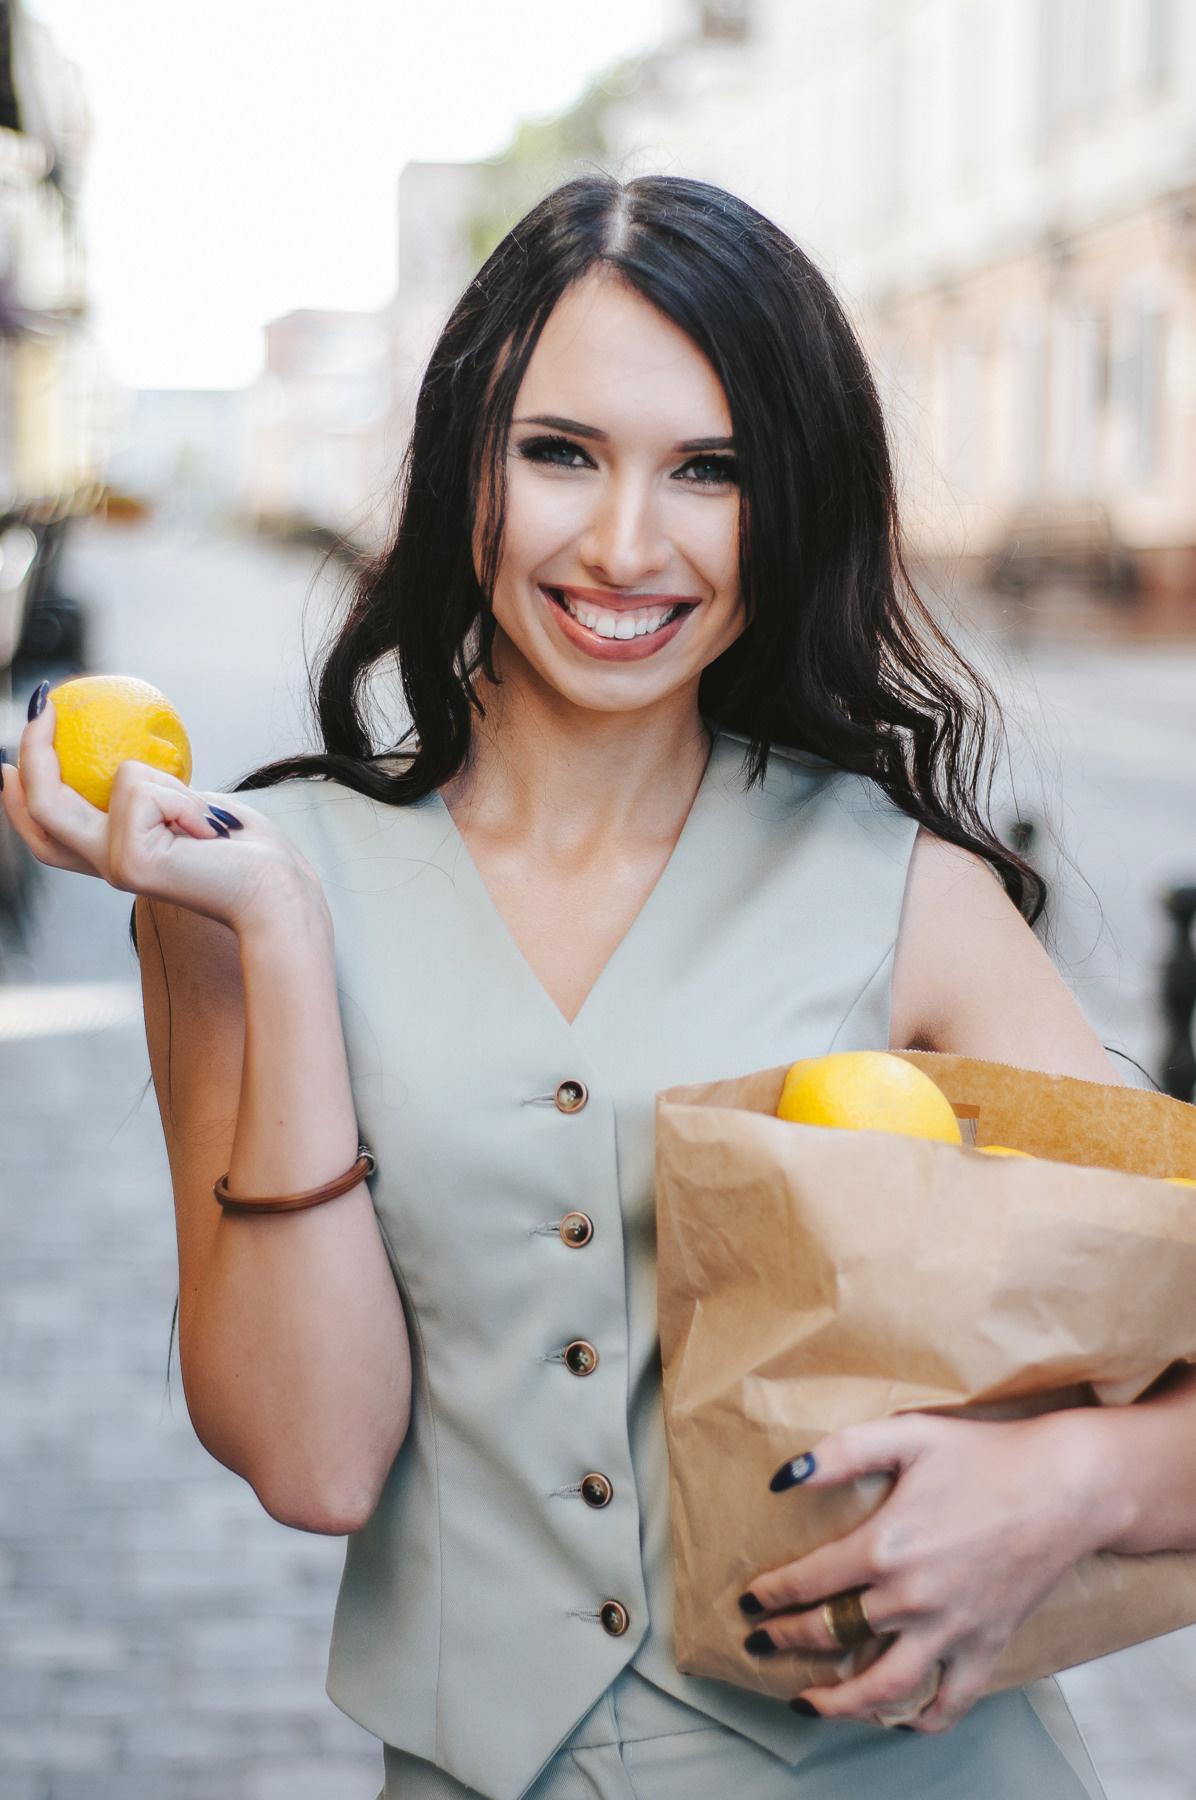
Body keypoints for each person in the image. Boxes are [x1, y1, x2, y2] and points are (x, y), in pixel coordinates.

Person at [6, 174, 1196, 1800]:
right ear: (462, 464)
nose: (627, 545)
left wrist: (1071, 1485)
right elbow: (313, 1456)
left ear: (790, 503)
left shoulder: (908, 894)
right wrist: (279, 939)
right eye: (559, 451)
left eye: (709, 470)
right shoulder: (242, 888)